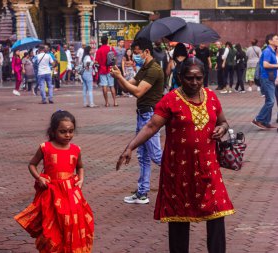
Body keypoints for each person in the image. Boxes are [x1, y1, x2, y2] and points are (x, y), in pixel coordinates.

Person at [116, 57, 235, 253]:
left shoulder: (212, 97)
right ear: (180, 77)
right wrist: (130, 147)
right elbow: (152, 126)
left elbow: (223, 122)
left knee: (216, 213)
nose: (194, 82)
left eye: (198, 78)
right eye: (189, 78)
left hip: (208, 168)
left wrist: (222, 129)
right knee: (179, 216)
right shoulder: (170, 100)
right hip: (180, 170)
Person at [14, 110, 94, 252]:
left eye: (71, 131)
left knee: (72, 223)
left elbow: (80, 167)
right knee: (52, 225)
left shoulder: (76, 149)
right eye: (63, 131)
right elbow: (32, 164)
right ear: (53, 131)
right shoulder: (45, 148)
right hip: (51, 193)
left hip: (71, 194)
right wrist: (39, 178)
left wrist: (81, 179)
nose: (67, 135)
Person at [110, 37, 163, 204]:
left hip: (150, 116)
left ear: (147, 52)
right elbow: (129, 85)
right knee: (143, 156)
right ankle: (142, 192)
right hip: (142, 115)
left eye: (137, 53)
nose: (135, 57)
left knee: (156, 156)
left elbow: (138, 92)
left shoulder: (154, 69)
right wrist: (119, 77)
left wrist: (120, 77)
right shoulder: (144, 68)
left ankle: (185, 181)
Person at [252, 33, 278, 130]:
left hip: (270, 79)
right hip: (266, 79)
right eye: (276, 39)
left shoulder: (272, 51)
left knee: (269, 100)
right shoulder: (267, 51)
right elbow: (266, 65)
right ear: (270, 41)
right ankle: (258, 119)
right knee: (271, 101)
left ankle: (266, 122)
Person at [95, 36, 117, 107]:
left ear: (101, 41)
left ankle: (107, 102)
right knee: (112, 86)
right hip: (110, 69)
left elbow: (96, 61)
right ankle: (115, 102)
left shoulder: (99, 50)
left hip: (102, 69)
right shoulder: (111, 48)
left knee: (104, 86)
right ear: (107, 41)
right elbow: (115, 57)